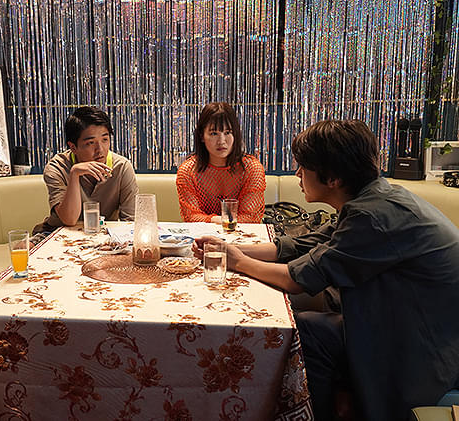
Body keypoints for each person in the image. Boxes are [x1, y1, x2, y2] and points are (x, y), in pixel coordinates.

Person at [193, 120, 459, 421]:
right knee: (299, 315)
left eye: (303, 167)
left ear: (332, 178)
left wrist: (238, 261)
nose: (297, 174)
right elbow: (302, 245)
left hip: (424, 348)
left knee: (304, 328)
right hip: (402, 320)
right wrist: (225, 250)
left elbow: (296, 279)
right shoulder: (374, 199)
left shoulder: (374, 217)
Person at [33, 106, 138, 234]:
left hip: (103, 233)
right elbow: (69, 219)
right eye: (90, 143)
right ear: (73, 147)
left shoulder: (122, 167)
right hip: (56, 231)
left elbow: (130, 222)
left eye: (105, 140)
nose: (100, 149)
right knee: (23, 244)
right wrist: (74, 174)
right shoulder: (57, 167)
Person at [176, 102, 266, 223]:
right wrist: (220, 220)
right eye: (214, 133)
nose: (221, 141)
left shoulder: (251, 168)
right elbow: (191, 217)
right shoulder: (188, 171)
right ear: (202, 136)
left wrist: (215, 220)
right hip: (202, 234)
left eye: (227, 132)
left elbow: (250, 218)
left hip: (242, 234)